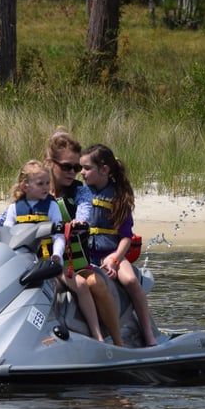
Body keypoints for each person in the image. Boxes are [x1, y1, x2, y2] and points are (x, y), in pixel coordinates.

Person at [0, 160, 106, 342]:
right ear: (25, 186)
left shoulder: (51, 206)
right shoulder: (14, 209)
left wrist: (57, 256)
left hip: (48, 264)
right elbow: (7, 233)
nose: (46, 188)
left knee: (81, 284)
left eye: (47, 183)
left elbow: (59, 236)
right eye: (40, 184)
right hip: (22, 265)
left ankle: (97, 334)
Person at [44, 128, 124, 346]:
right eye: (66, 167)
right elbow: (14, 212)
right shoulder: (38, 188)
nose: (73, 172)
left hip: (72, 263)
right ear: (50, 163)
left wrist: (79, 222)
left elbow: (85, 210)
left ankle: (117, 342)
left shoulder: (81, 192)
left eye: (77, 167)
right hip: (43, 261)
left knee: (95, 282)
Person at [80, 143, 158, 346]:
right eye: (81, 167)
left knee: (130, 281)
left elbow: (126, 237)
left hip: (114, 253)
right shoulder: (80, 193)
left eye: (87, 168)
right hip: (86, 255)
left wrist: (115, 259)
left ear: (104, 169)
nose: (82, 172)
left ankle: (148, 333)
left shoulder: (118, 196)